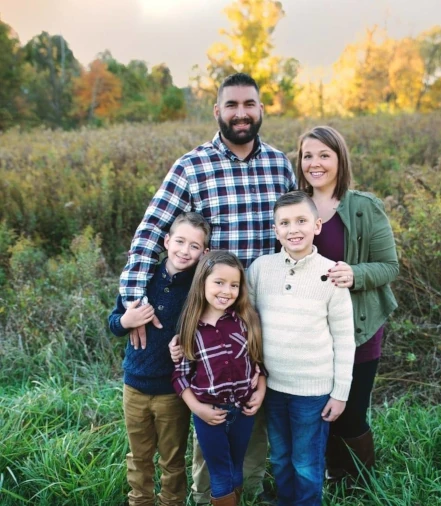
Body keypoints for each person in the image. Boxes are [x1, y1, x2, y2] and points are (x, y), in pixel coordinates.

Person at [119, 72, 296, 503]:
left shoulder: (278, 164)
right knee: (212, 415)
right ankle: (208, 495)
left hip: (262, 312)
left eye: (249, 104)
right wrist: (134, 302)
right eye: (231, 105)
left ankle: (247, 490)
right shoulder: (192, 166)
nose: (241, 113)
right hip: (209, 316)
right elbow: (150, 232)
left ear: (260, 110)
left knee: (255, 404)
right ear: (217, 111)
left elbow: (296, 229)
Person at [296, 126, 399, 483]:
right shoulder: (296, 205)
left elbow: (389, 266)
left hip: (359, 327)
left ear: (340, 159)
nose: (315, 163)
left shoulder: (364, 208)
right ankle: (320, 474)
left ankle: (355, 481)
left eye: (324, 155)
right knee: (316, 407)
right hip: (310, 329)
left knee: (351, 410)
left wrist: (355, 274)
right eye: (308, 155)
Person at [246, 191, 356, 506]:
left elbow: (345, 338)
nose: (293, 229)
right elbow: (250, 326)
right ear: (275, 229)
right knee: (280, 457)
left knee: (306, 464)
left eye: (301, 221)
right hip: (274, 387)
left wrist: (340, 392)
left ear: (317, 226)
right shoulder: (261, 269)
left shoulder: (330, 274)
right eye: (285, 222)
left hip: (313, 392)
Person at [108, 212, 211, 506]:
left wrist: (185, 348)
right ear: (166, 241)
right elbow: (113, 323)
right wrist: (126, 320)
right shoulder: (142, 279)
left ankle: (171, 502)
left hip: (172, 391)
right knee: (138, 456)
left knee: (172, 459)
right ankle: (139, 501)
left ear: (204, 252)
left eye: (194, 246)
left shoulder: (197, 289)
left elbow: (203, 334)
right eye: (179, 241)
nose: (184, 250)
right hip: (135, 386)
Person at [172, 250, 267, 506]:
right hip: (209, 415)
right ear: (202, 282)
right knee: (220, 473)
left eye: (234, 285)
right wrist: (197, 408)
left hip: (243, 412)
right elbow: (180, 377)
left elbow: (258, 364)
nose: (227, 290)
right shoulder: (190, 327)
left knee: (237, 467)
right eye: (219, 282)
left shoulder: (245, 321)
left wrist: (261, 390)